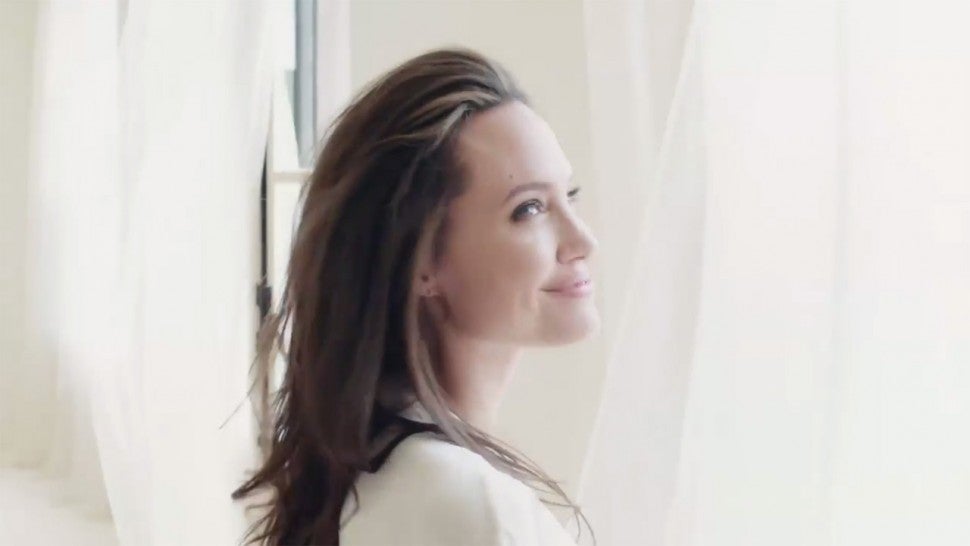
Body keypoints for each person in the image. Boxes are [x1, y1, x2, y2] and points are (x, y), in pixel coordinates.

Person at [232, 46, 599, 546]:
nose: (582, 240)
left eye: (569, 196)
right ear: (422, 260)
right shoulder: (465, 504)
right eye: (529, 209)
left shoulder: (394, 481)